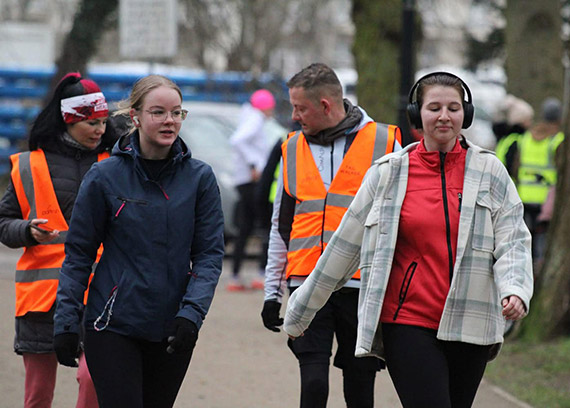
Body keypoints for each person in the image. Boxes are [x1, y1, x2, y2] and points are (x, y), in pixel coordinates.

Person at [283, 71, 534, 408]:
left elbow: (513, 237)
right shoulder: (388, 172)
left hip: (471, 319)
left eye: (453, 108)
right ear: (418, 115)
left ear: (466, 114)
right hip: (408, 321)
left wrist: (515, 288)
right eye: (434, 108)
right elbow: (344, 246)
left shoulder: (490, 171)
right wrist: (301, 310)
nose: (444, 116)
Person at [53, 74, 225, 408]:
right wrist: (66, 322)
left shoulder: (200, 179)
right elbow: (78, 255)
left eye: (176, 113)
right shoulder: (104, 177)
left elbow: (208, 255)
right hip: (112, 323)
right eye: (158, 112)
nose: (169, 121)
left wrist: (192, 314)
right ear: (135, 117)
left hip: (174, 327)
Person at [261, 63, 401, 408]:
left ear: (325, 105)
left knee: (359, 384)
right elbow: (283, 224)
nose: (294, 117)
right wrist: (271, 293)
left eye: (300, 108)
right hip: (307, 283)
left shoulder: (386, 142)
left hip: (362, 286)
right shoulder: (292, 146)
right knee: (313, 384)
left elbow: (400, 223)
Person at [0, 72, 116, 408]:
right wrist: (27, 231)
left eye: (104, 122)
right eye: (92, 122)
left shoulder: (115, 164)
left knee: (93, 379)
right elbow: (3, 222)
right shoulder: (28, 165)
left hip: (100, 294)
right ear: (68, 120)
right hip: (41, 301)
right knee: (37, 397)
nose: (100, 130)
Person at [228, 89, 276, 291]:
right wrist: (254, 165)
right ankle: (261, 274)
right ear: (265, 106)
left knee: (246, 228)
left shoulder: (249, 116)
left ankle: (235, 275)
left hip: (243, 180)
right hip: (251, 181)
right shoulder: (255, 119)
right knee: (266, 225)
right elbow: (237, 140)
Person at [513, 96, 564, 264]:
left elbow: (516, 165)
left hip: (525, 196)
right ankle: (537, 271)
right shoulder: (558, 140)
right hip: (547, 200)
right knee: (542, 241)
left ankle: (525, 268)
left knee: (526, 239)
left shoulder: (527, 137)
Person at [492, 94, 534, 176]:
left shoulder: (505, 139)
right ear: (521, 120)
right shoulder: (518, 140)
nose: (530, 123)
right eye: (528, 119)